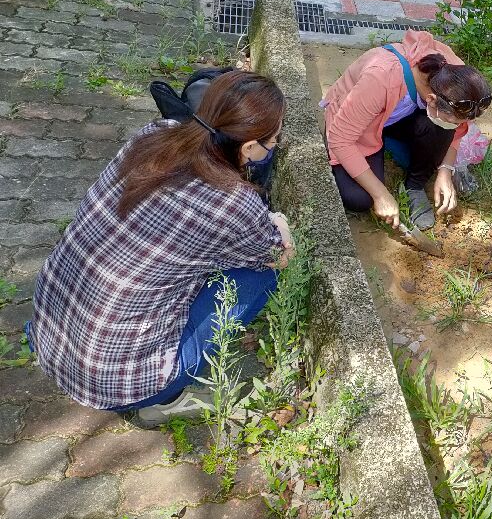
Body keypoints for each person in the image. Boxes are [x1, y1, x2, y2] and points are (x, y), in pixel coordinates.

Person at [27, 71, 294, 426]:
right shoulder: (233, 203)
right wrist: (279, 224)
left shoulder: (153, 135)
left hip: (49, 338)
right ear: (248, 147)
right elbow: (279, 254)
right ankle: (164, 399)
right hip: (120, 380)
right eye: (272, 141)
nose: (272, 148)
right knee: (262, 277)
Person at [322, 29, 492, 230]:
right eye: (452, 121)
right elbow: (340, 139)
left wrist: (446, 170)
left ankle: (415, 186)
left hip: (398, 118)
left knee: (441, 126)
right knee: (359, 198)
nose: (457, 127)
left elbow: (457, 129)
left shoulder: (457, 77)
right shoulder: (381, 78)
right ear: (431, 100)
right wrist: (381, 195)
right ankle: (383, 144)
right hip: (360, 127)